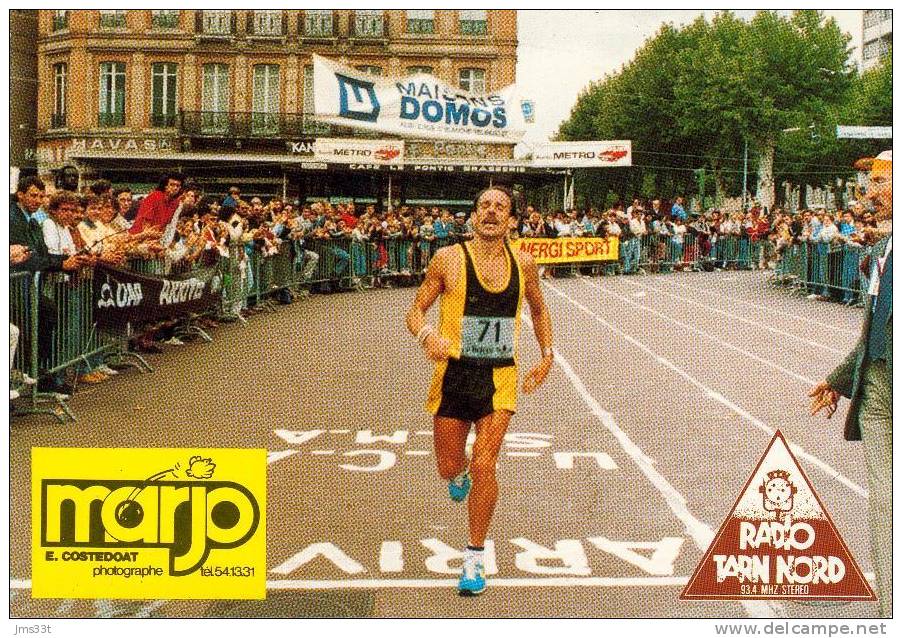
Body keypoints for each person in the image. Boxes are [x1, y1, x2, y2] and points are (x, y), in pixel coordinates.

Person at [405, 186, 554, 596]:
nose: (490, 212)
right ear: (472, 216)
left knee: (486, 462)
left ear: (512, 221)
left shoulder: (524, 264)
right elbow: (415, 311)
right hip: (453, 374)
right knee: (449, 465)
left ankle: (474, 557)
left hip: (499, 376)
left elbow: (538, 309)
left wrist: (547, 354)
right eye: (484, 206)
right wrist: (427, 335)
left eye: (500, 207)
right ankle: (458, 475)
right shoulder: (448, 259)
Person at [809, 150, 892, 617]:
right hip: (877, 392)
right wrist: (839, 380)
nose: (870, 192)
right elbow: (874, 328)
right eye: (869, 182)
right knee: (885, 504)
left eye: (881, 181)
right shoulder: (881, 252)